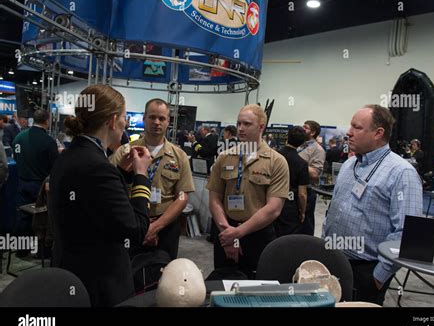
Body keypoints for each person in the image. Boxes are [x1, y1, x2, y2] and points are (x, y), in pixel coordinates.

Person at [49, 84, 154, 307]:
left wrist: (121, 174)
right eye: (125, 117)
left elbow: (93, 202)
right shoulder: (97, 166)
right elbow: (135, 230)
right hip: (99, 284)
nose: (125, 124)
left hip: (70, 271)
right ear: (113, 121)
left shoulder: (71, 156)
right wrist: (141, 176)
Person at [323, 104, 423, 305]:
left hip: (366, 271)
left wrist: (378, 276)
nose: (349, 133)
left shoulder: (401, 173)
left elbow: (407, 232)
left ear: (378, 133)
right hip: (332, 260)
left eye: (357, 127)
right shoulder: (350, 164)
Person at [207, 104, 289, 278]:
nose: (240, 128)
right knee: (223, 284)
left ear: (261, 127)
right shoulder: (224, 157)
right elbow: (214, 199)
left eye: (247, 124)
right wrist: (228, 233)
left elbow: (273, 208)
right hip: (225, 231)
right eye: (238, 123)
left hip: (258, 235)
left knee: (256, 288)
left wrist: (238, 233)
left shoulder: (277, 162)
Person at [110, 98, 195, 260]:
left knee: (164, 277)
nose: (157, 122)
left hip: (165, 228)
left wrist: (155, 227)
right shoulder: (125, 152)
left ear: (168, 121)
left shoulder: (180, 156)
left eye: (162, 118)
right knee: (128, 272)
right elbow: (113, 190)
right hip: (130, 224)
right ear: (144, 118)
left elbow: (182, 197)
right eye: (152, 117)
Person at [13, 109, 59, 256]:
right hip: (41, 186)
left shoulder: (19, 137)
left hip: (22, 183)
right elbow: (55, 167)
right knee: (43, 218)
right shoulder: (49, 141)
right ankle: (42, 252)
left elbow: (16, 155)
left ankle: (21, 250)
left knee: (23, 217)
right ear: (47, 121)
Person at [274, 126, 309, 236]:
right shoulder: (302, 163)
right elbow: (302, 194)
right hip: (289, 206)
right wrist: (302, 212)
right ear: (302, 143)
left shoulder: (274, 156)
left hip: (270, 202)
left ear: (287, 137)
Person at [298, 120, 326, 236]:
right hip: (295, 189)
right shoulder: (300, 146)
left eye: (306, 127)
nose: (302, 129)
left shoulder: (318, 150)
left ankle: (306, 249)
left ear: (313, 132)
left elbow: (315, 173)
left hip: (308, 191)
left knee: (306, 225)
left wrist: (296, 161)